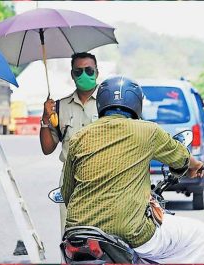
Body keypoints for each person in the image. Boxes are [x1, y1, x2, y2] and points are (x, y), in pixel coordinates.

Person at [61, 76, 204, 263]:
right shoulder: (148, 131)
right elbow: (181, 158)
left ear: (101, 103)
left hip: (77, 235)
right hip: (130, 232)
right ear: (137, 103)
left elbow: (67, 193)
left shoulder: (79, 136)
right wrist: (196, 166)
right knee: (198, 234)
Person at [39, 52, 99, 232]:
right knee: (71, 236)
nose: (84, 75)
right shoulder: (59, 107)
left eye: (89, 70)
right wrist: (45, 118)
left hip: (102, 177)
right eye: (78, 71)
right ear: (72, 75)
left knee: (102, 237)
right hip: (70, 181)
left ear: (97, 72)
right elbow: (47, 148)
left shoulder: (107, 104)